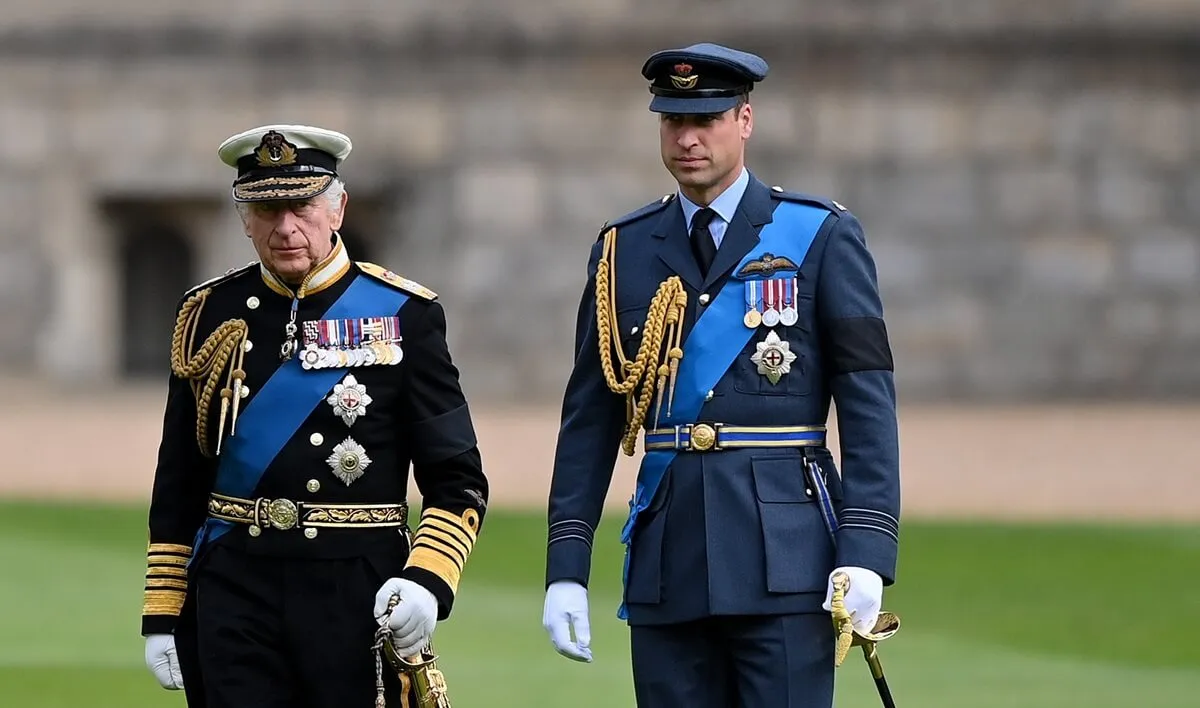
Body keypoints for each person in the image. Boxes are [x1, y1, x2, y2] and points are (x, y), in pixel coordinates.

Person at [541, 43, 901, 707]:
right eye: (673, 121)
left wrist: (868, 550)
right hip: (666, 562)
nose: (687, 138)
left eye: (705, 119)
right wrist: (566, 566)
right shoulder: (623, 248)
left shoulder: (819, 236)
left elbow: (868, 403)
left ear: (744, 120)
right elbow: (590, 419)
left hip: (787, 563)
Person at [140, 123, 488, 708]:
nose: (285, 227)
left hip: (354, 587)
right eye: (266, 208)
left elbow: (457, 479)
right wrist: (162, 608)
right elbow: (180, 474)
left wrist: (428, 579)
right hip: (234, 583)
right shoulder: (207, 313)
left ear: (338, 208)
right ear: (243, 217)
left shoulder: (405, 313)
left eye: (301, 206)